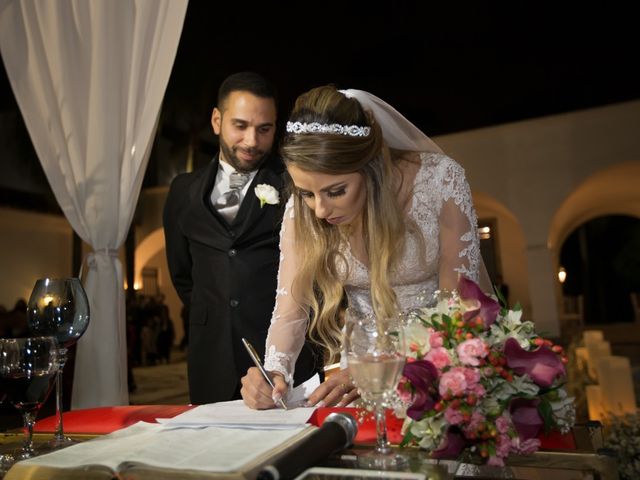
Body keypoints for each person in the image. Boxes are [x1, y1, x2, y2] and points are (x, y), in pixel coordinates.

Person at [241, 85, 491, 409]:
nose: (319, 209)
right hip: (356, 383)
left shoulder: (439, 183)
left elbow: (459, 310)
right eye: (306, 193)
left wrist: (378, 368)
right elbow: (291, 308)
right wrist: (275, 371)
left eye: (336, 190)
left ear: (370, 166)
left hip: (441, 374)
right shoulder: (301, 210)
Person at [163, 72, 322, 404]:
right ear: (217, 120)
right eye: (240, 126)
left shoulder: (295, 182)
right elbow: (183, 274)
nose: (252, 141)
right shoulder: (182, 191)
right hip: (210, 358)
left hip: (281, 359)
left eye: (264, 129)